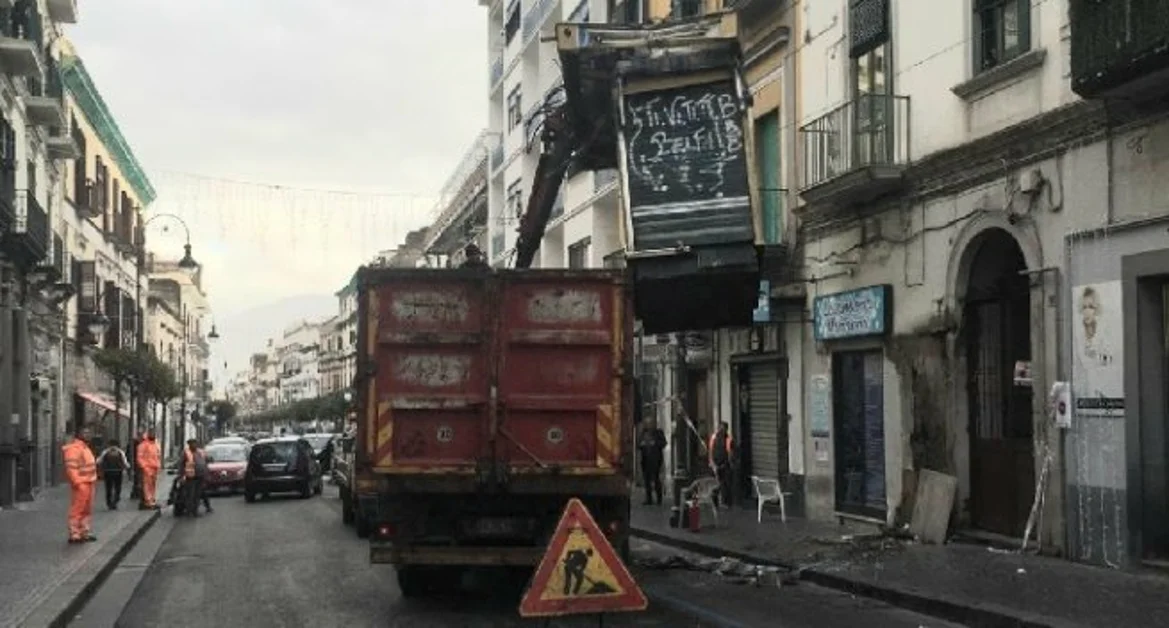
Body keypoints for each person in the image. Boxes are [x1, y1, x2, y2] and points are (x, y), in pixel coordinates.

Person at [62, 426, 98, 543]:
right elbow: (71, 468)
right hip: (82, 483)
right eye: (85, 433)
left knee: (87, 509)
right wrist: (77, 482)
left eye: (89, 433)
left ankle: (84, 531)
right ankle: (75, 533)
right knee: (77, 509)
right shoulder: (74, 448)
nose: (88, 435)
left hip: (89, 482)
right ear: (79, 434)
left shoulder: (85, 448)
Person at [638, 420, 667, 505]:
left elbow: (664, 443)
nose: (649, 425)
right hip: (645, 460)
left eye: (650, 423)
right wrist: (642, 444)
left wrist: (655, 443)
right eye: (647, 423)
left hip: (656, 460)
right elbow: (638, 444)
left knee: (656, 479)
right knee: (647, 480)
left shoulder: (658, 432)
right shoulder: (643, 433)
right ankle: (649, 499)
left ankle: (659, 499)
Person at [97, 439, 130, 510]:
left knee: (108, 488)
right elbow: (125, 462)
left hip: (108, 472)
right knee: (117, 488)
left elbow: (98, 461)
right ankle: (115, 500)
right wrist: (127, 467)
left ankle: (109, 503)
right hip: (118, 472)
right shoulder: (120, 452)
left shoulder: (105, 452)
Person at [707, 421, 734, 509]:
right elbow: (730, 452)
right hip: (724, 464)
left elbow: (710, 451)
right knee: (725, 483)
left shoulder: (714, 437)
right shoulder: (728, 438)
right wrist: (730, 463)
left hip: (716, 464)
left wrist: (712, 463)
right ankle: (725, 502)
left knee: (716, 483)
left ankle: (715, 503)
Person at [137, 430, 162, 510]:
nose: (153, 435)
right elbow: (139, 457)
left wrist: (158, 466)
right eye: (151, 434)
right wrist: (144, 467)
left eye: (154, 434)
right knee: (147, 486)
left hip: (154, 468)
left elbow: (158, 456)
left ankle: (152, 500)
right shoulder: (143, 445)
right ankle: (148, 502)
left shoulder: (156, 444)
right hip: (147, 468)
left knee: (153, 486)